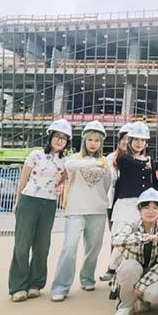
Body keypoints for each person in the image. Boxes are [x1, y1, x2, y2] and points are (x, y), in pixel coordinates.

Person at [9, 119, 71, 302]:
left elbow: (62, 179)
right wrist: (18, 200)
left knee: (42, 246)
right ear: (50, 137)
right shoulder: (35, 155)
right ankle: (18, 287)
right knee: (22, 244)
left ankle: (36, 284)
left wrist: (54, 188)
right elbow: (23, 179)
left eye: (64, 138)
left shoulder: (65, 162)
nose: (60, 140)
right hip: (29, 200)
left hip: (49, 203)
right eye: (57, 136)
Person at [51, 120, 111, 302]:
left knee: (93, 248)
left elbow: (107, 185)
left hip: (97, 211)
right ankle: (61, 286)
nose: (93, 143)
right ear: (84, 140)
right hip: (75, 210)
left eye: (97, 140)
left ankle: (87, 278)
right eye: (90, 139)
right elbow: (69, 167)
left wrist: (99, 164)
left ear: (101, 143)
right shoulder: (74, 159)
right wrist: (91, 163)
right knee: (69, 247)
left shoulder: (105, 162)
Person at [102, 121, 158, 282]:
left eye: (142, 140)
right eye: (136, 139)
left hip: (143, 206)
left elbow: (154, 182)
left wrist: (157, 204)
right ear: (130, 141)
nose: (139, 143)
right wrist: (145, 164)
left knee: (141, 240)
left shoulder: (149, 160)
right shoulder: (123, 158)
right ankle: (113, 269)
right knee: (121, 239)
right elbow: (132, 164)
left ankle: (133, 274)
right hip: (125, 205)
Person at [111, 188, 158, 315]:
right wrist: (144, 237)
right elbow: (117, 241)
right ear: (139, 210)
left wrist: (142, 286)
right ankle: (125, 306)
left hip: (152, 275)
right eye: (146, 207)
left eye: (155, 208)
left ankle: (140, 302)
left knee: (156, 293)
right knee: (129, 267)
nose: (150, 211)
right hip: (132, 272)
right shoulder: (132, 227)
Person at [106, 122, 133, 231]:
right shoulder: (110, 158)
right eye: (124, 138)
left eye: (129, 139)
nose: (126, 142)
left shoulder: (138, 159)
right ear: (119, 141)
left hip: (131, 201)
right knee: (115, 232)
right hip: (114, 200)